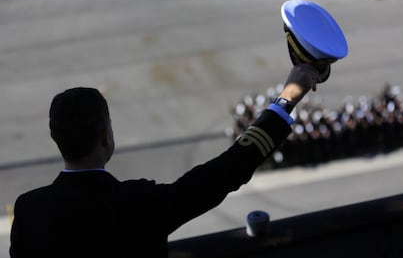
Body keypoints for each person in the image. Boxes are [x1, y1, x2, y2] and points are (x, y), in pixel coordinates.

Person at [9, 63, 323, 258]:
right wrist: (287, 99)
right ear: (106, 137)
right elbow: (227, 171)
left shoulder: (28, 211)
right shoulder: (138, 203)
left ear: (56, 138)